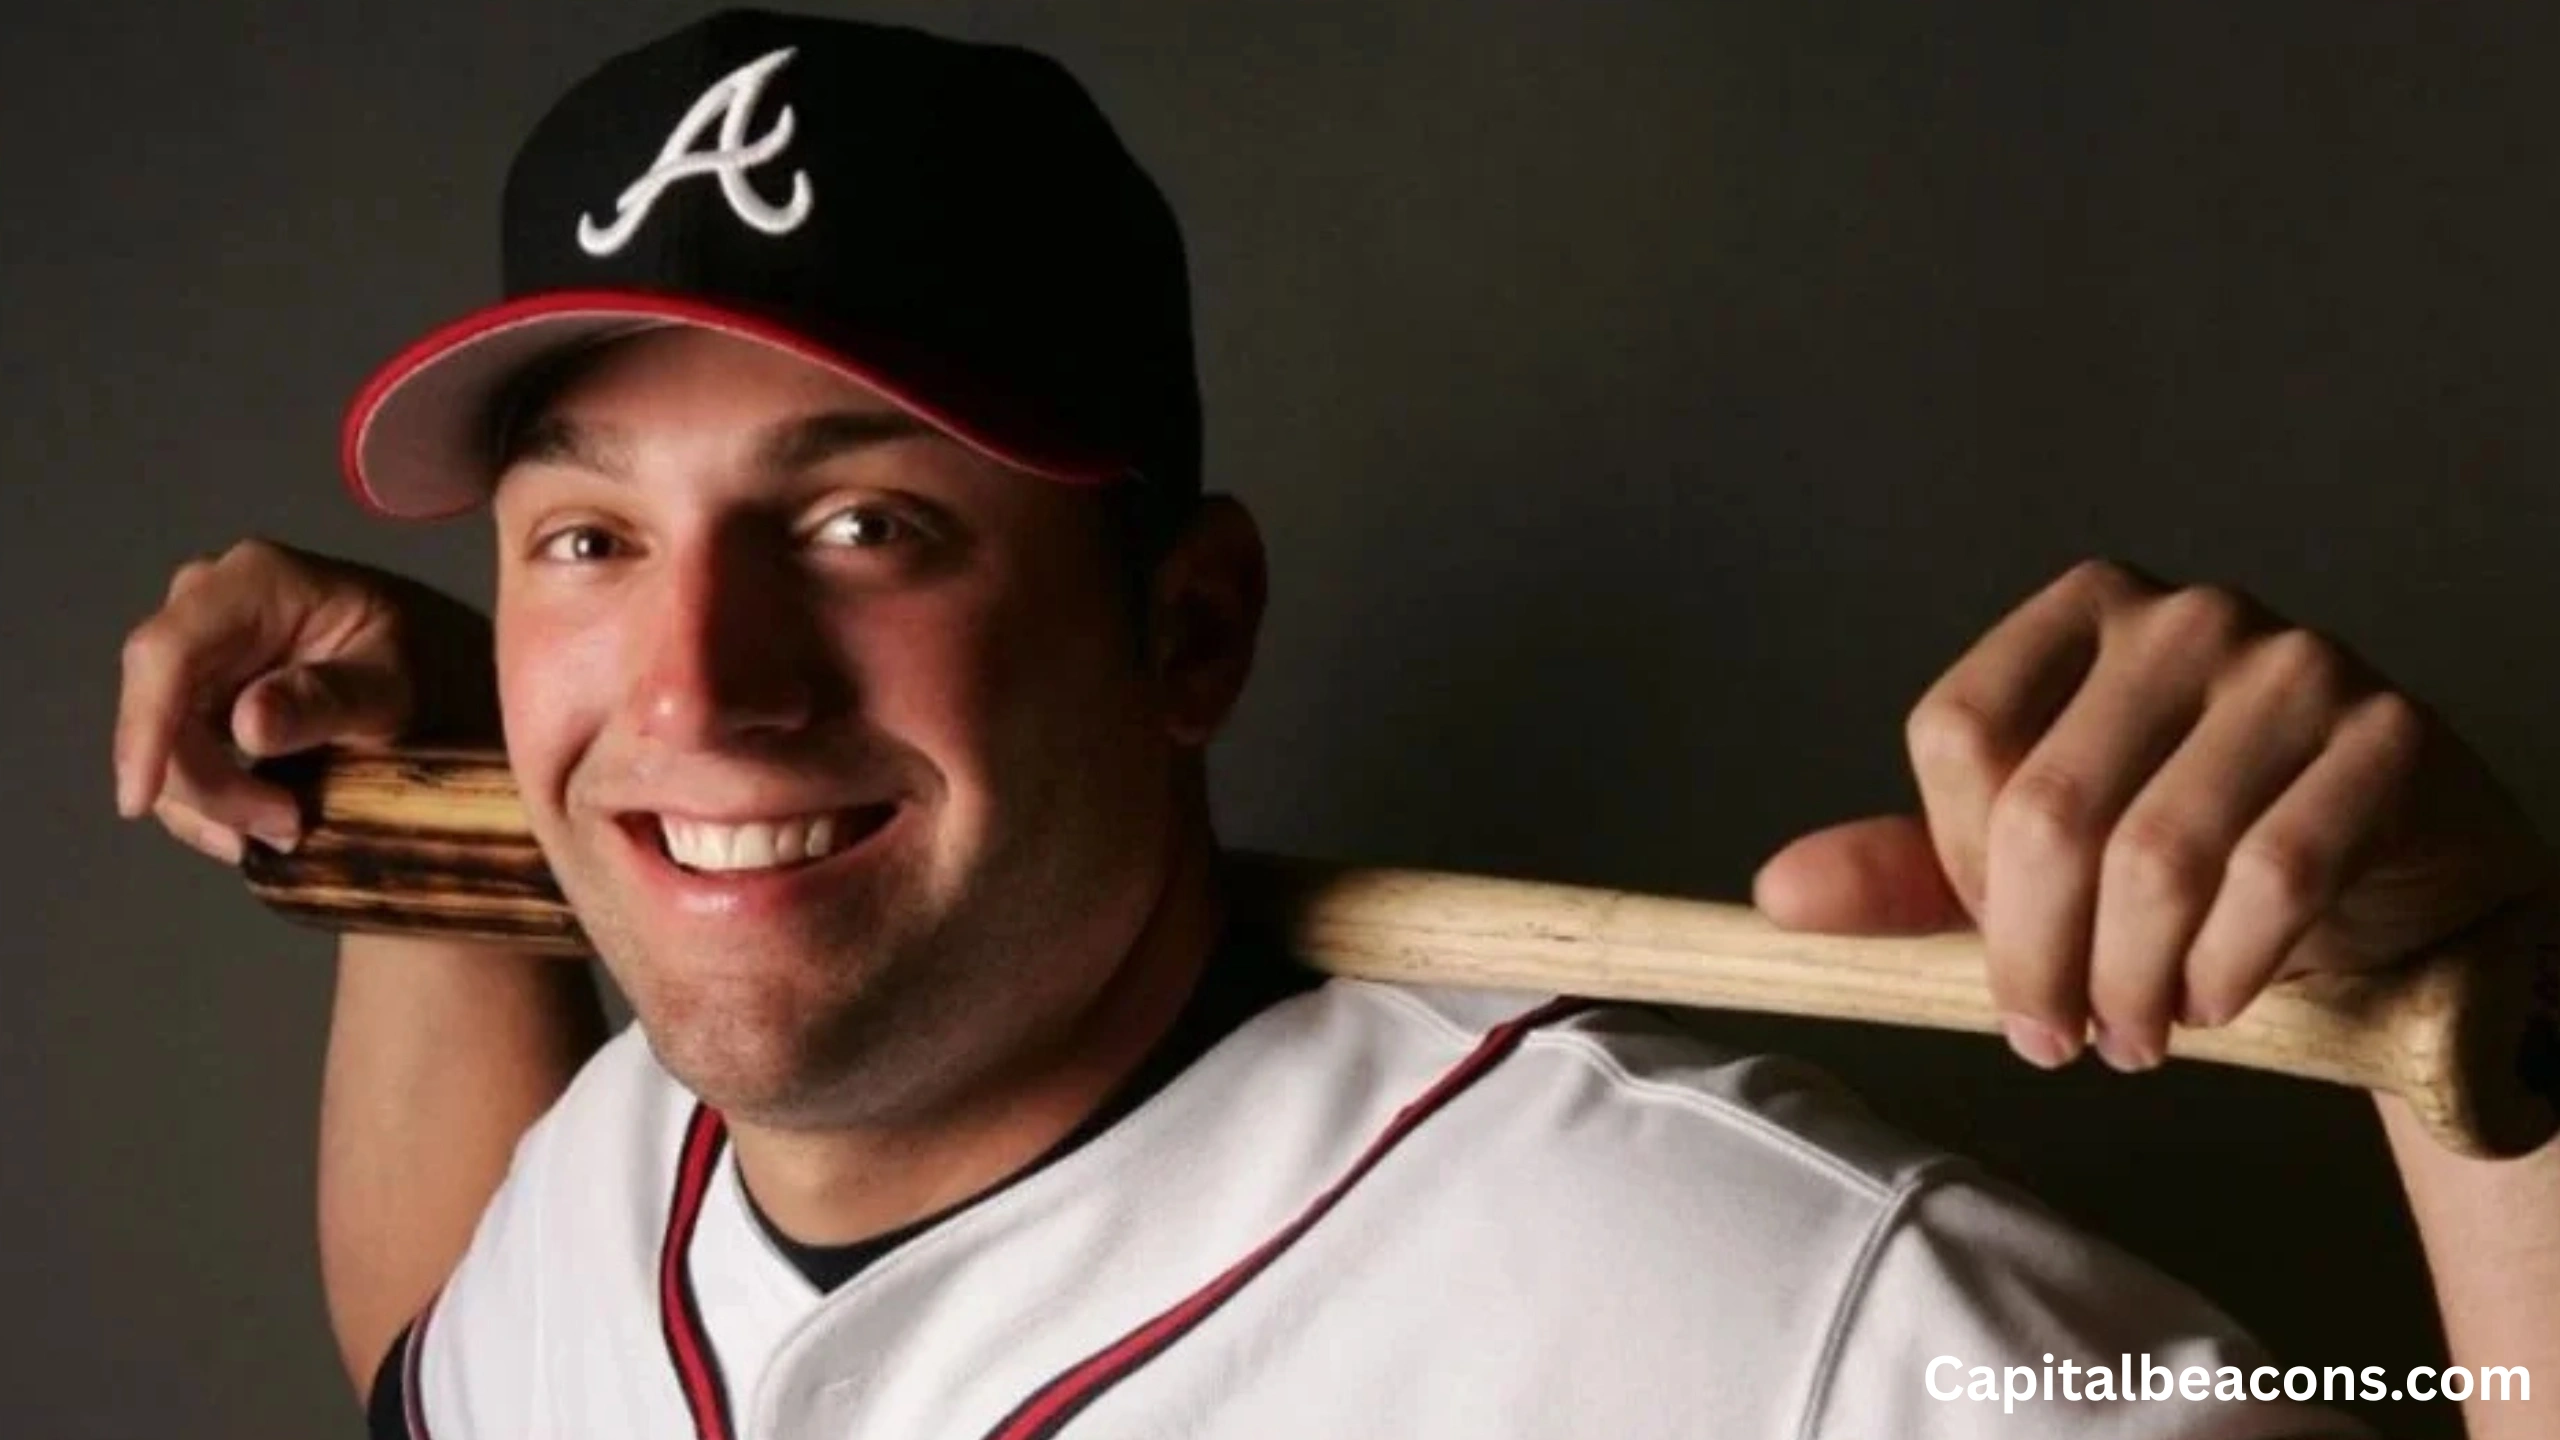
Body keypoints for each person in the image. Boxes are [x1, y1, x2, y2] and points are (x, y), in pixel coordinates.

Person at [111, 10, 2558, 1438]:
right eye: (586, 540)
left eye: (864, 524)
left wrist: (2505, 1058)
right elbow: (443, 1358)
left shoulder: (1786, 1314)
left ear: (1186, 634)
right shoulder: (603, 1173)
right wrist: (420, 824)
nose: (688, 685)